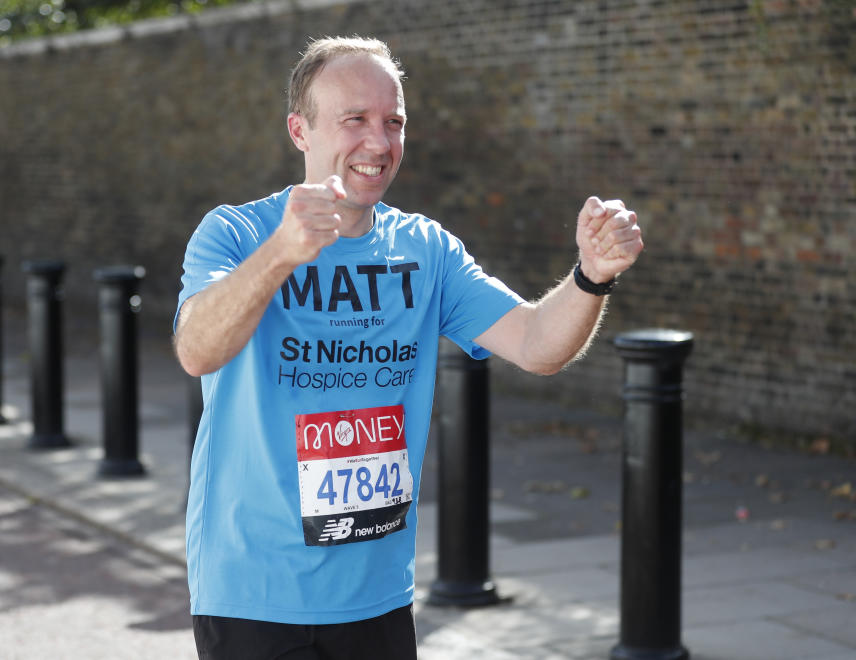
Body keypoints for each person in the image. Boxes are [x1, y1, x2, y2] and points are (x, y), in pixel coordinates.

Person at [174, 36, 643, 660]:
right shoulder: (236, 233)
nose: (379, 142)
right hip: (253, 593)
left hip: (377, 596)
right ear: (299, 131)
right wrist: (282, 254)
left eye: (393, 122)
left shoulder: (425, 250)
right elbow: (196, 350)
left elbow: (537, 345)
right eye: (355, 120)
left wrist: (591, 275)